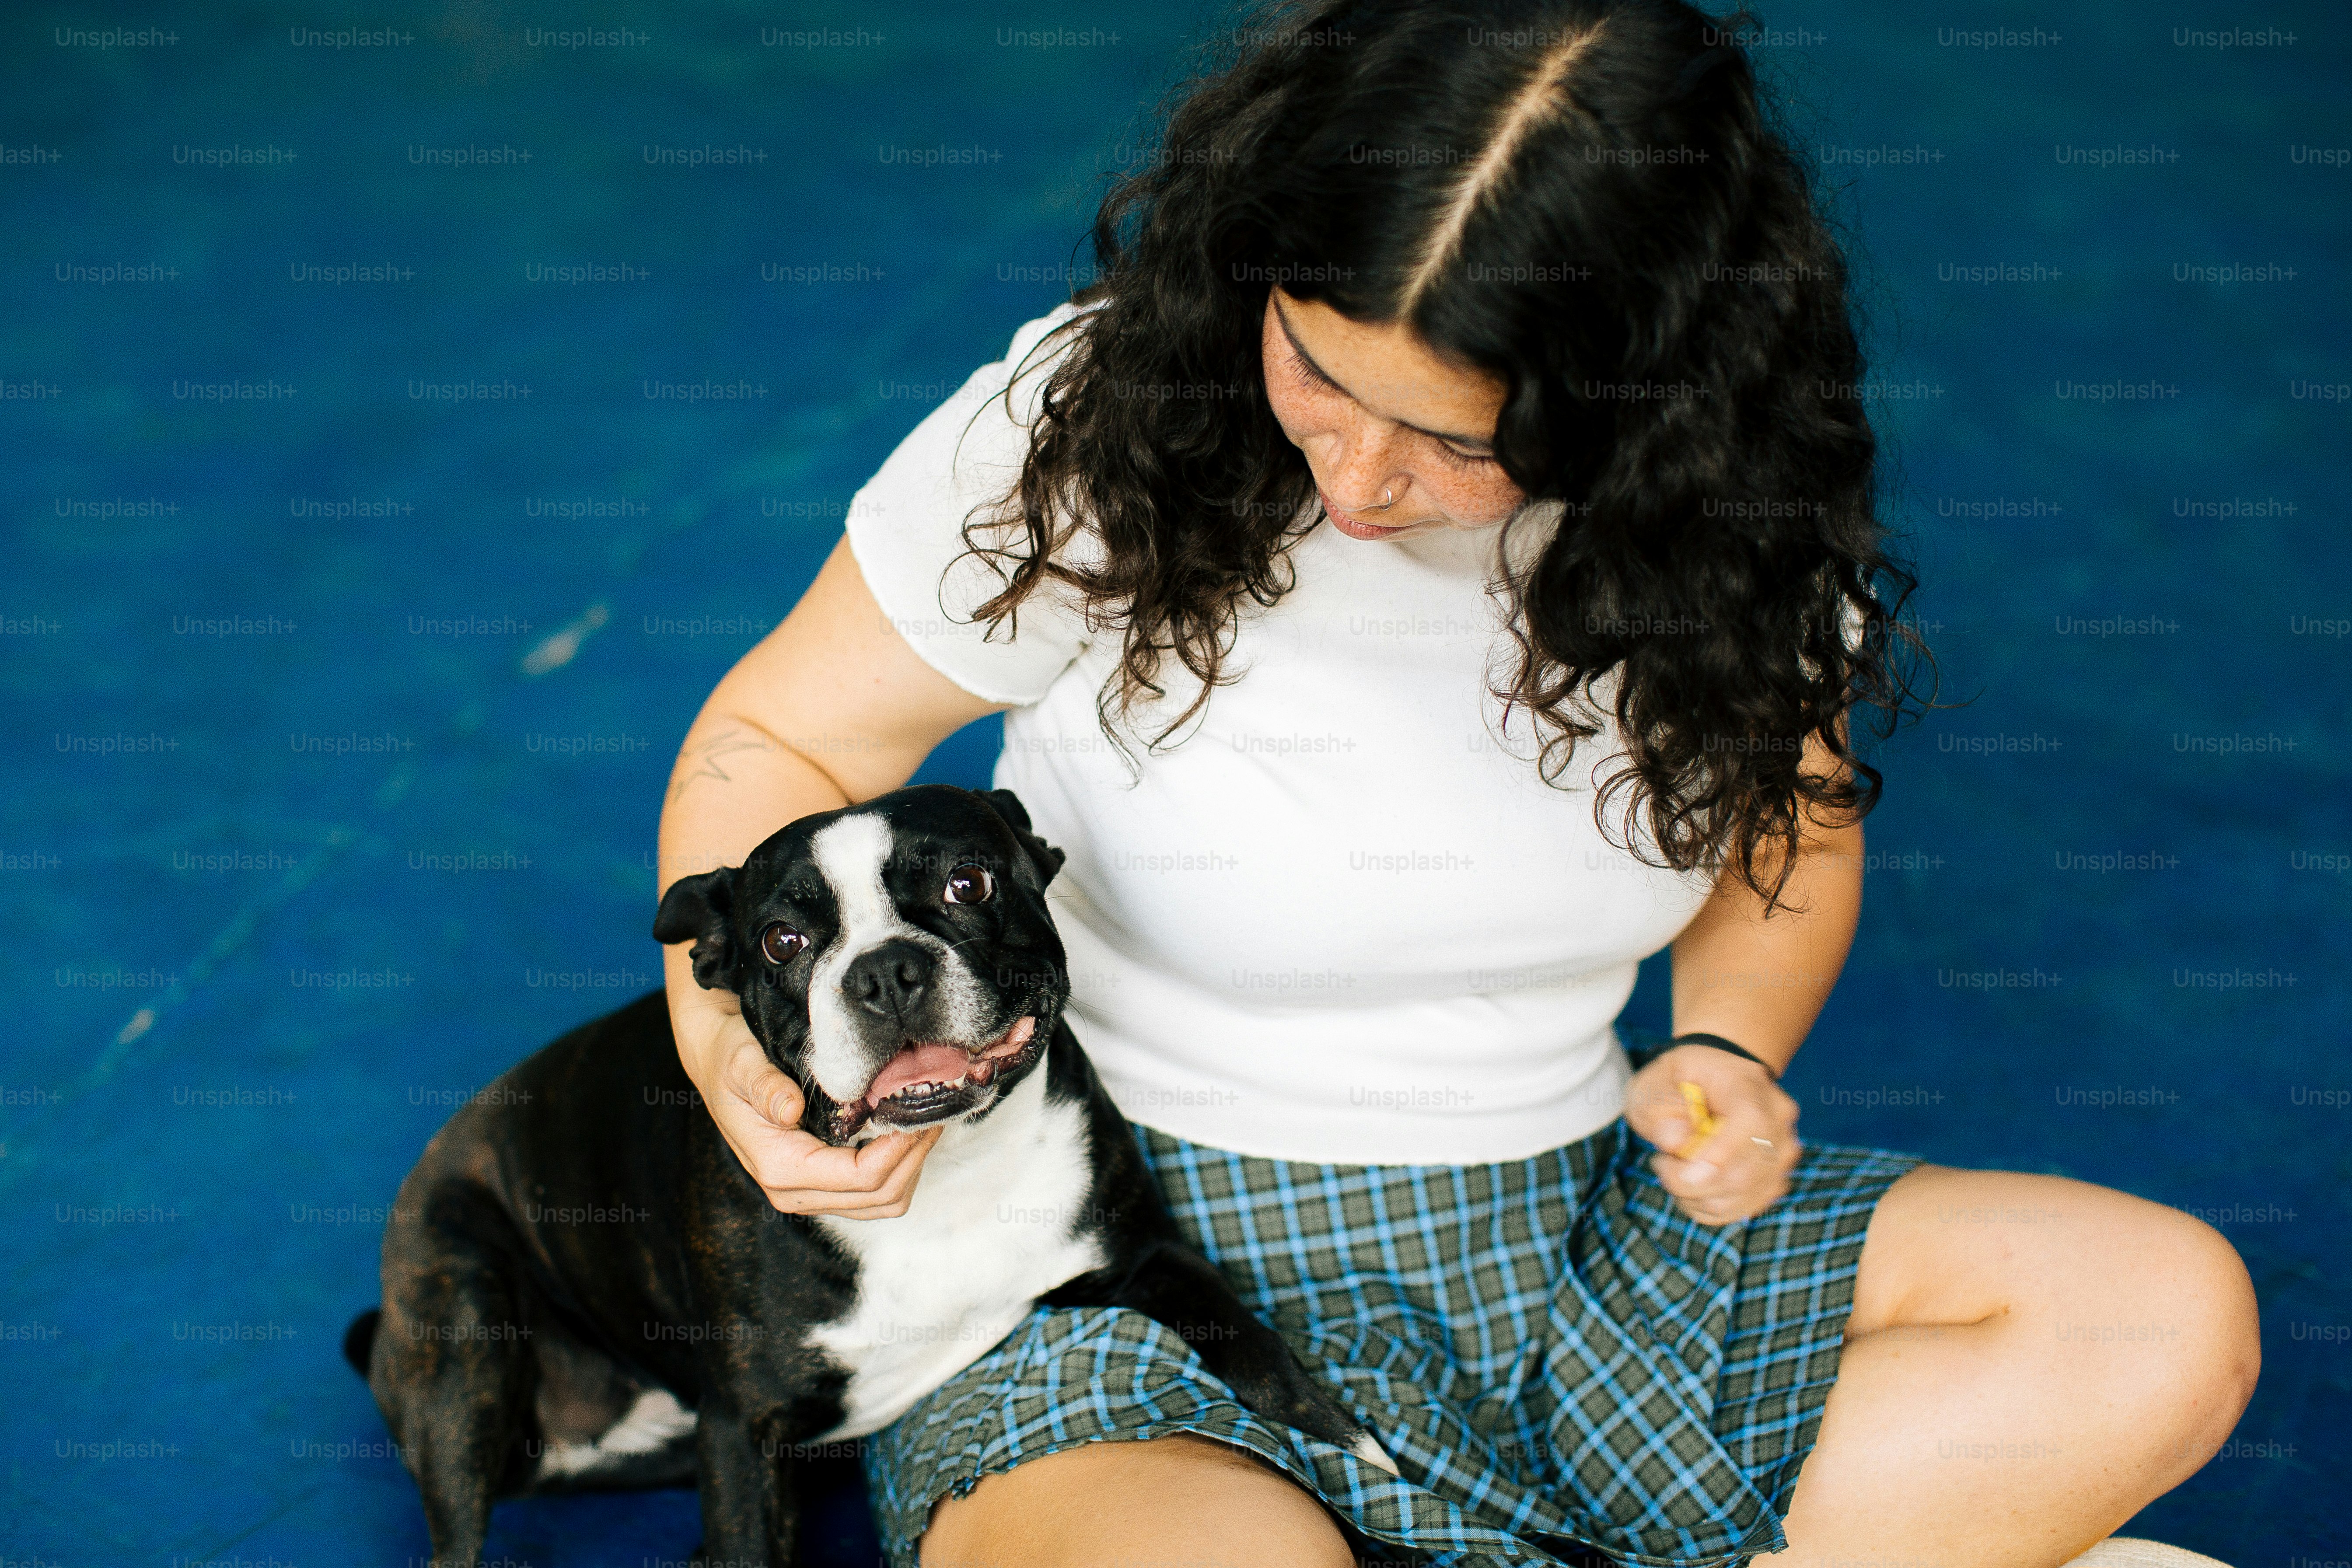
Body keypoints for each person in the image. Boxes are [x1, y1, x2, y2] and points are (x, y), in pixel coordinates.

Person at [656, 3, 2258, 1564]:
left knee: (2162, 1315)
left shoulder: (1726, 526)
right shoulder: (1100, 420)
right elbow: (782, 740)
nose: (1355, 481)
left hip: (1565, 1231)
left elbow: (1784, 835)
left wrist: (1724, 1048)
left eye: (1457, 441)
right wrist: (731, 1046)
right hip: (1088, 1234)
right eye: (1316, 370)